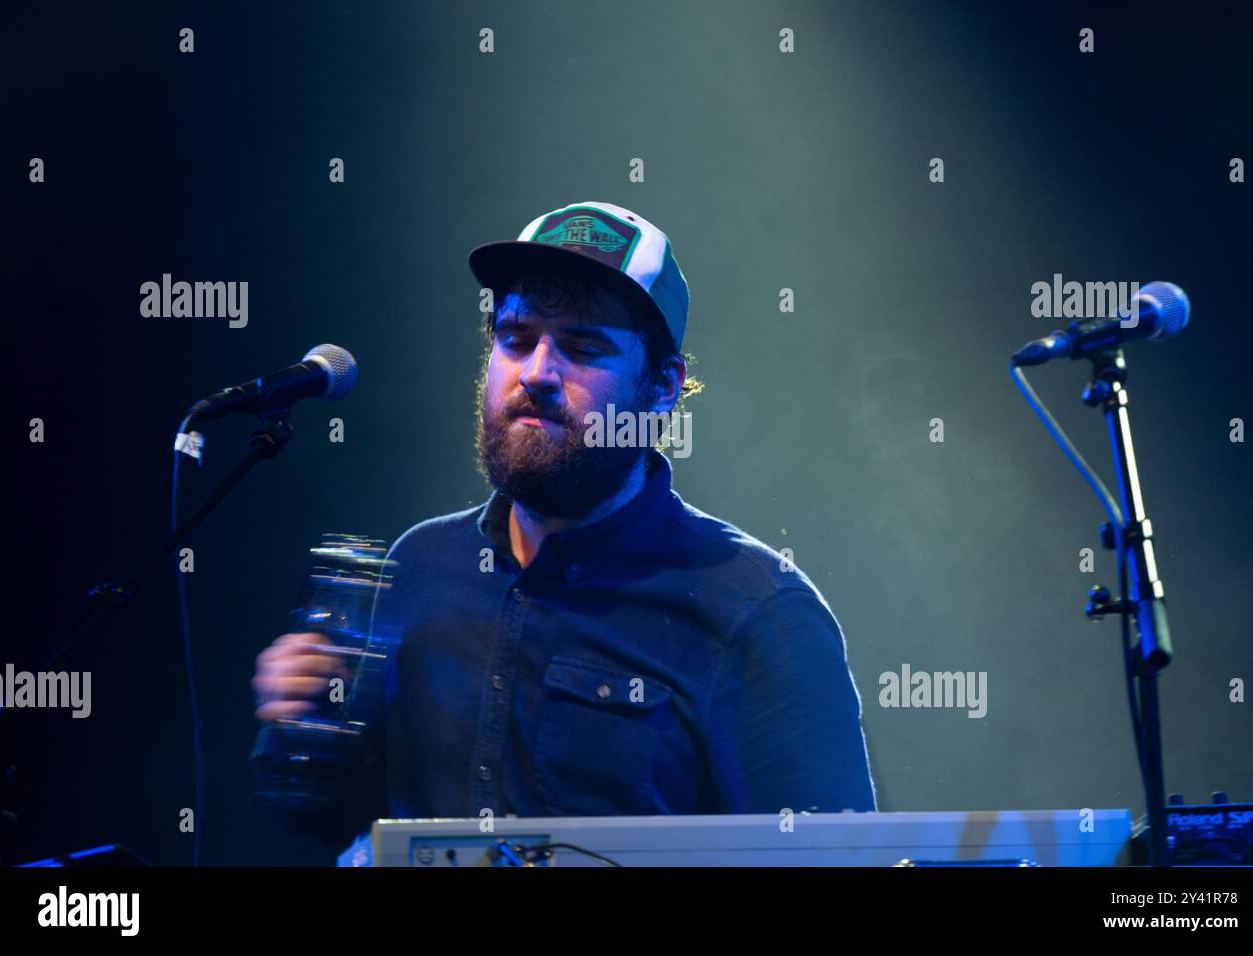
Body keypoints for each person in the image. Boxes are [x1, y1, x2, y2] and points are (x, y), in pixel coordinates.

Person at [251, 201, 877, 849]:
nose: (538, 373)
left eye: (583, 346)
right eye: (516, 338)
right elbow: (334, 822)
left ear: (664, 387)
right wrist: (302, 721)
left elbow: (837, 861)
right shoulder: (420, 566)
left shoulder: (758, 611)